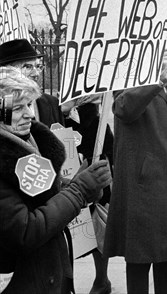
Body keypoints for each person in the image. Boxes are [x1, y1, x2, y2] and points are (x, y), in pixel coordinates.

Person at [0, 66, 111, 294]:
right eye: (18, 107)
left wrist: (85, 187)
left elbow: (45, 199)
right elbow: (26, 231)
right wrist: (78, 191)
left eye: (29, 105)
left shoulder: (31, 143)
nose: (30, 114)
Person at [104, 50, 167, 294]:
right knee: (139, 260)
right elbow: (124, 109)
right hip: (144, 192)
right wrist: (156, 82)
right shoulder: (128, 85)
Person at [64, 95, 114, 294]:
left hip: (95, 181)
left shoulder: (98, 123)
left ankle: (102, 280)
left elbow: (110, 152)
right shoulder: (60, 116)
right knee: (70, 234)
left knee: (96, 231)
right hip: (68, 179)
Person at [0, 39, 67, 126]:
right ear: (7, 71)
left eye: (38, 66)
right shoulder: (5, 104)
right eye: (28, 67)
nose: (36, 73)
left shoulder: (52, 103)